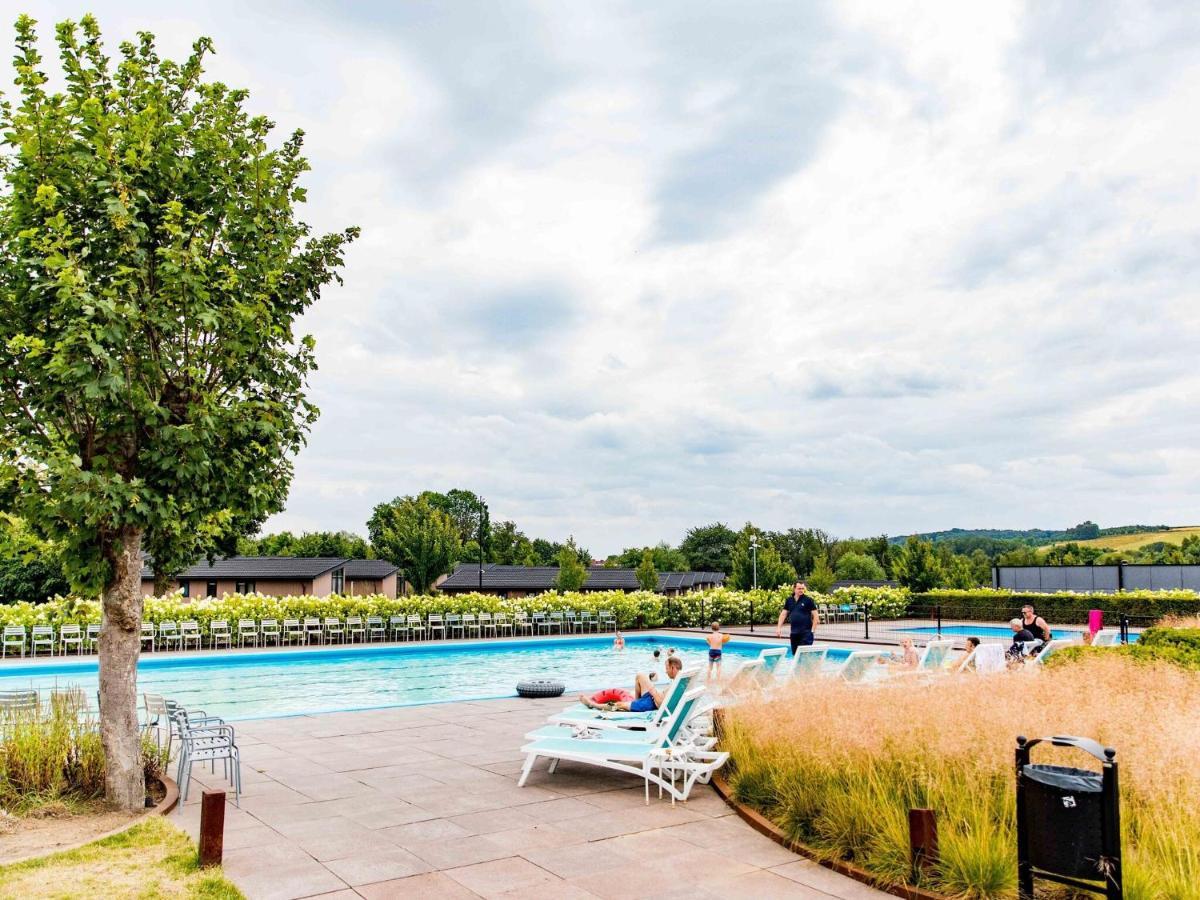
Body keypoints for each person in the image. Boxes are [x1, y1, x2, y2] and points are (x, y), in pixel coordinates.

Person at [579, 655, 683, 711]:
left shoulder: (678, 683)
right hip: (651, 699)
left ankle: (592, 704)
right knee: (640, 676)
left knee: (619, 705)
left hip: (649, 704)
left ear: (673, 668)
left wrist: (652, 689)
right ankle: (635, 702)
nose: (665, 671)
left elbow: (661, 704)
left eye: (667, 668)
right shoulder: (681, 681)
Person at [776, 581, 819, 653]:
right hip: (794, 633)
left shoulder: (808, 600)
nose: (801, 590)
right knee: (795, 655)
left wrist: (812, 631)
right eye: (799, 588)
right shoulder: (789, 600)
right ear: (794, 589)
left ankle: (810, 664)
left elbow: (816, 615)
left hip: (806, 633)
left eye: (802, 588)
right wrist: (778, 628)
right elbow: (783, 614)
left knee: (804, 654)